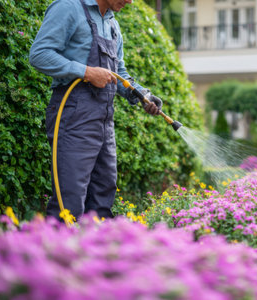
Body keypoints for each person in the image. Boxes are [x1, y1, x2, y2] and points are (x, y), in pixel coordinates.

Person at [29, 0, 162, 221]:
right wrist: (85, 71)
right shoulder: (69, 7)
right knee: (68, 201)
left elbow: (118, 73)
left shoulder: (112, 23)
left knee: (102, 198)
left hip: (104, 120)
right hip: (72, 114)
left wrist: (141, 95)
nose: (129, 1)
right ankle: (58, 253)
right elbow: (39, 54)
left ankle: (96, 252)